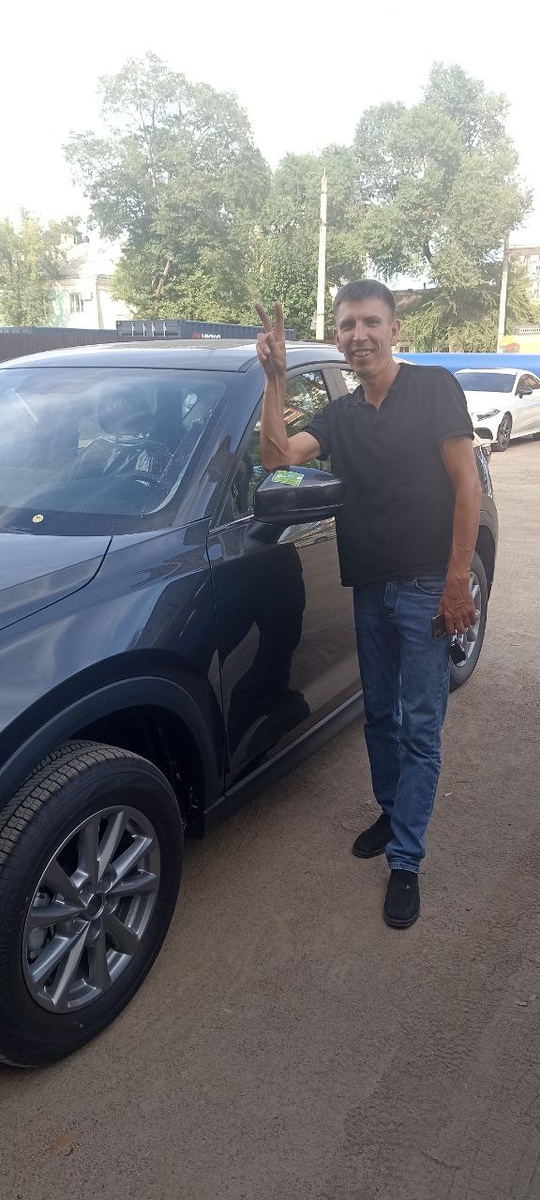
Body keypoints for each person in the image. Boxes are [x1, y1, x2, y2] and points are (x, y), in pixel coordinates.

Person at [255, 281, 481, 929]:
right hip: (371, 588)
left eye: (371, 322)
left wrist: (457, 580)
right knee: (379, 715)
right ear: (337, 337)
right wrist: (274, 378)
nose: (360, 335)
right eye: (348, 325)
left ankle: (406, 859)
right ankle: (392, 811)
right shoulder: (341, 416)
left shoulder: (434, 388)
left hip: (427, 586)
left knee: (420, 726)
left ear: (393, 330)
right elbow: (276, 459)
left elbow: (466, 485)